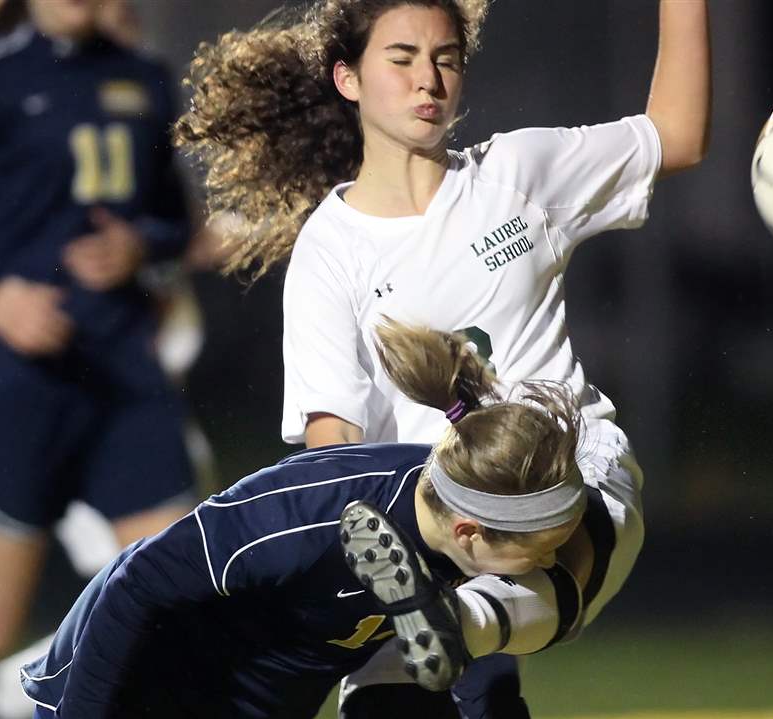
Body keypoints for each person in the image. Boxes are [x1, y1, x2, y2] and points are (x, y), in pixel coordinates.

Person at [174, 0, 710, 715]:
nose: (427, 79)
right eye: (401, 59)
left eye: (445, 59)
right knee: (399, 691)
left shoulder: (519, 177)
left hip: (564, 472)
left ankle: (461, 620)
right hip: (426, 532)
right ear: (348, 79)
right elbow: (333, 457)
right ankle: (445, 621)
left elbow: (676, 136)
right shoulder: (331, 252)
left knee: (549, 533)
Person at [20, 320, 642, 718]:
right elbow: (135, 588)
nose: (547, 555)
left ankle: (465, 625)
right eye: (538, 545)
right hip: (131, 683)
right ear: (469, 533)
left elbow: (480, 659)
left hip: (257, 699)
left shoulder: (459, 524)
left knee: (553, 594)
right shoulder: (308, 515)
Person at [0, 1, 198, 717]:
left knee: (184, 609)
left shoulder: (142, 77)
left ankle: (16, 704)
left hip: (123, 380)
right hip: (18, 383)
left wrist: (140, 244)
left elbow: (175, 221)